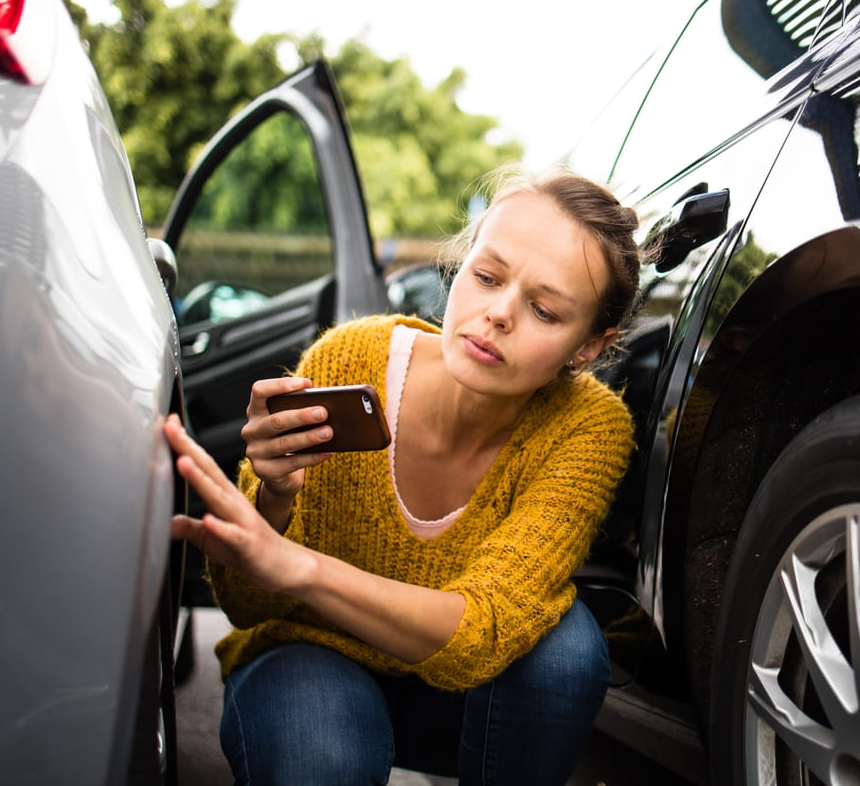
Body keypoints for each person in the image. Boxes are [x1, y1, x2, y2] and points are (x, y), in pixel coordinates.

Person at [164, 166, 648, 785]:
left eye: (545, 311)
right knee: (324, 755)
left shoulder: (588, 428)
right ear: (462, 265)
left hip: (460, 699)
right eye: (486, 277)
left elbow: (485, 629)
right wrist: (276, 496)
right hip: (307, 659)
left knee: (568, 649)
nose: (497, 313)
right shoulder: (352, 359)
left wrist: (303, 567)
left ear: (587, 346)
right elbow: (244, 603)